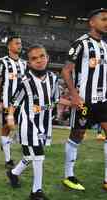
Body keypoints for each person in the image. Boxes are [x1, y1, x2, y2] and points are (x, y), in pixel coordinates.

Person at [61, 8, 107, 191]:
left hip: (103, 100)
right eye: (103, 19)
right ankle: (69, 175)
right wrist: (74, 94)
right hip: (84, 101)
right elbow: (66, 70)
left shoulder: (105, 45)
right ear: (92, 22)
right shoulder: (81, 43)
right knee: (77, 135)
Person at [6, 45, 59, 200]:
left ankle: (13, 173)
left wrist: (75, 102)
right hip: (28, 125)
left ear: (47, 57)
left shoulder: (53, 78)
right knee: (38, 156)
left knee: (30, 156)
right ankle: (36, 192)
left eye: (42, 56)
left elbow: (54, 100)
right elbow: (14, 101)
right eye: (34, 58)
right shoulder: (25, 81)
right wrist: (10, 117)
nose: (39, 60)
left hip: (44, 125)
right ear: (28, 63)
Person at [0, 35, 27, 168]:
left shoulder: (24, 63)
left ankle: (6, 142)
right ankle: (8, 159)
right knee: (7, 128)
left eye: (20, 43)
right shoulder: (3, 62)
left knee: (22, 128)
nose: (19, 45)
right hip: (7, 102)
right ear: (9, 46)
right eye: (16, 43)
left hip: (23, 103)